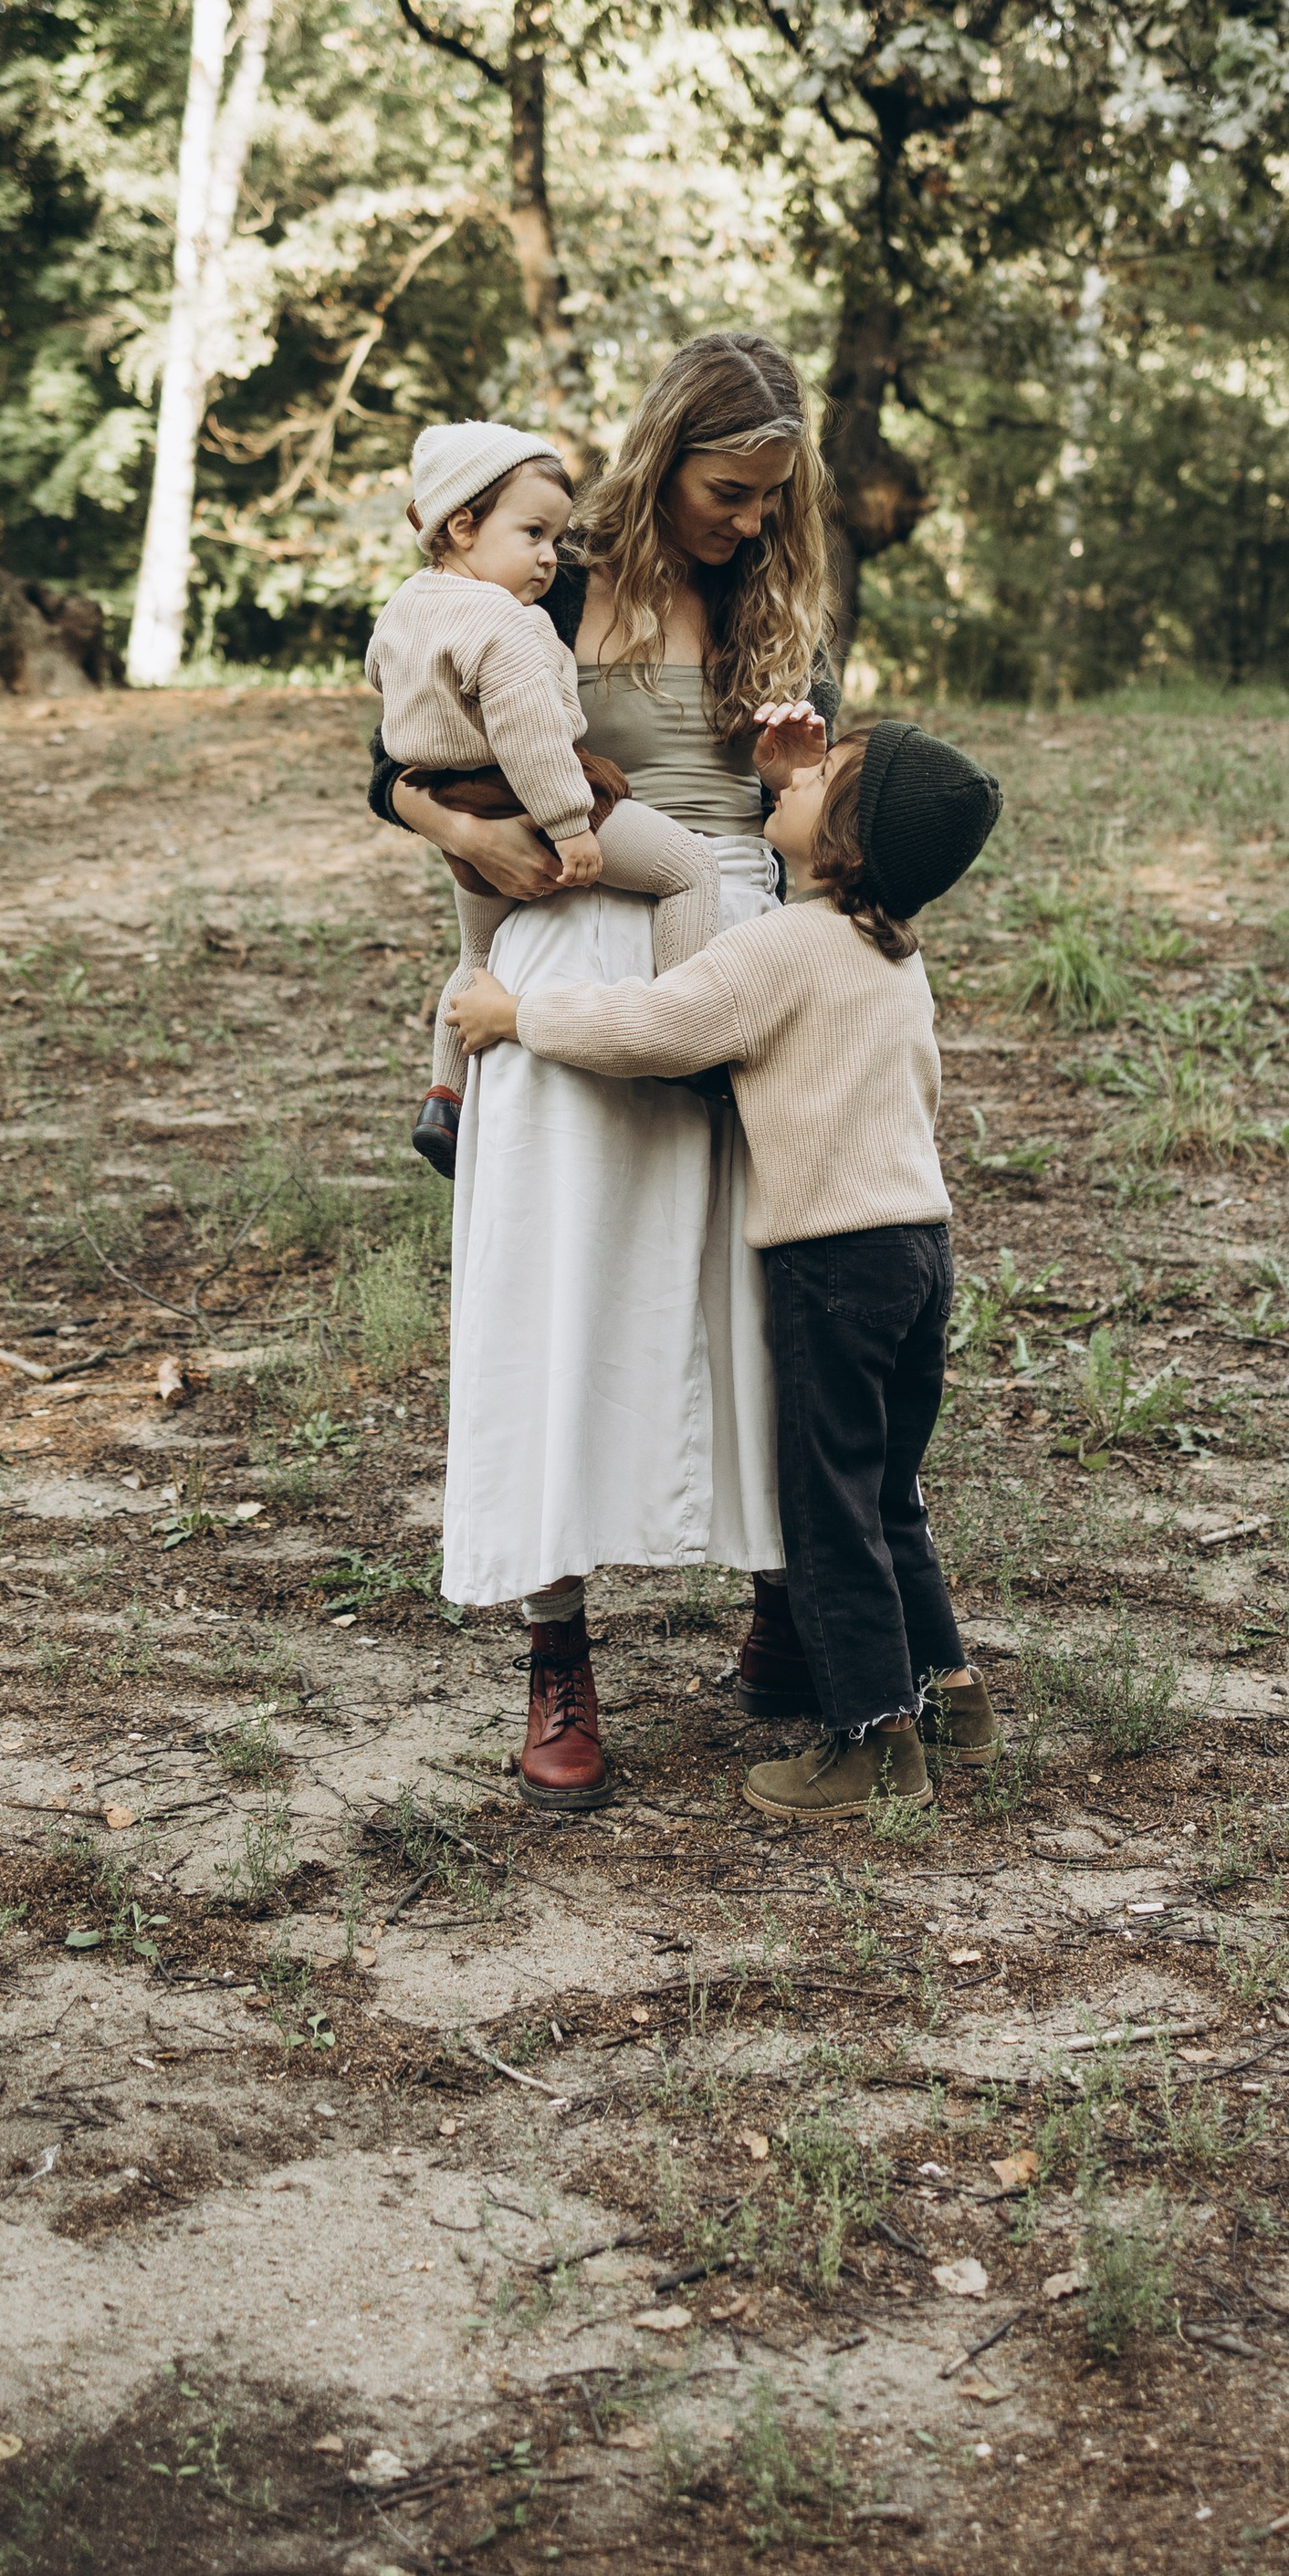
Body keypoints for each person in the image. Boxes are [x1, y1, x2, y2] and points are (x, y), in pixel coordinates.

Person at [369, 334, 838, 1807]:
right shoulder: (546, 574)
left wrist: (806, 784)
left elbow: (810, 810)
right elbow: (391, 758)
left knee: (772, 1295)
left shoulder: (780, 604)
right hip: (571, 941)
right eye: (728, 489)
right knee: (558, 1297)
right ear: (667, 453)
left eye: (773, 497)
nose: (750, 520)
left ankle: (782, 1596)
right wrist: (472, 842)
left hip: (740, 946)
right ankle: (557, 1648)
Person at [450, 718, 1005, 1820]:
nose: (788, 784)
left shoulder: (775, 948)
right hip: (918, 1247)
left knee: (828, 1503)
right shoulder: (891, 947)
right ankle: (953, 1697)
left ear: (839, 843)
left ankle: (865, 1743)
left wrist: (517, 1014)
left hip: (830, 1264)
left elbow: (661, 1027)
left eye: (816, 782)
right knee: (889, 1491)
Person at [365, 420, 719, 1177]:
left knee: (478, 951)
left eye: (555, 538)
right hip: (528, 794)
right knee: (689, 869)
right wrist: (570, 827)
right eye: (532, 534)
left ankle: (445, 1098)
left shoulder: (403, 608)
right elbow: (530, 737)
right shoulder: (511, 625)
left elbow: (381, 688)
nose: (549, 558)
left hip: (448, 794)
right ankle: (685, 1040)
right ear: (461, 524)